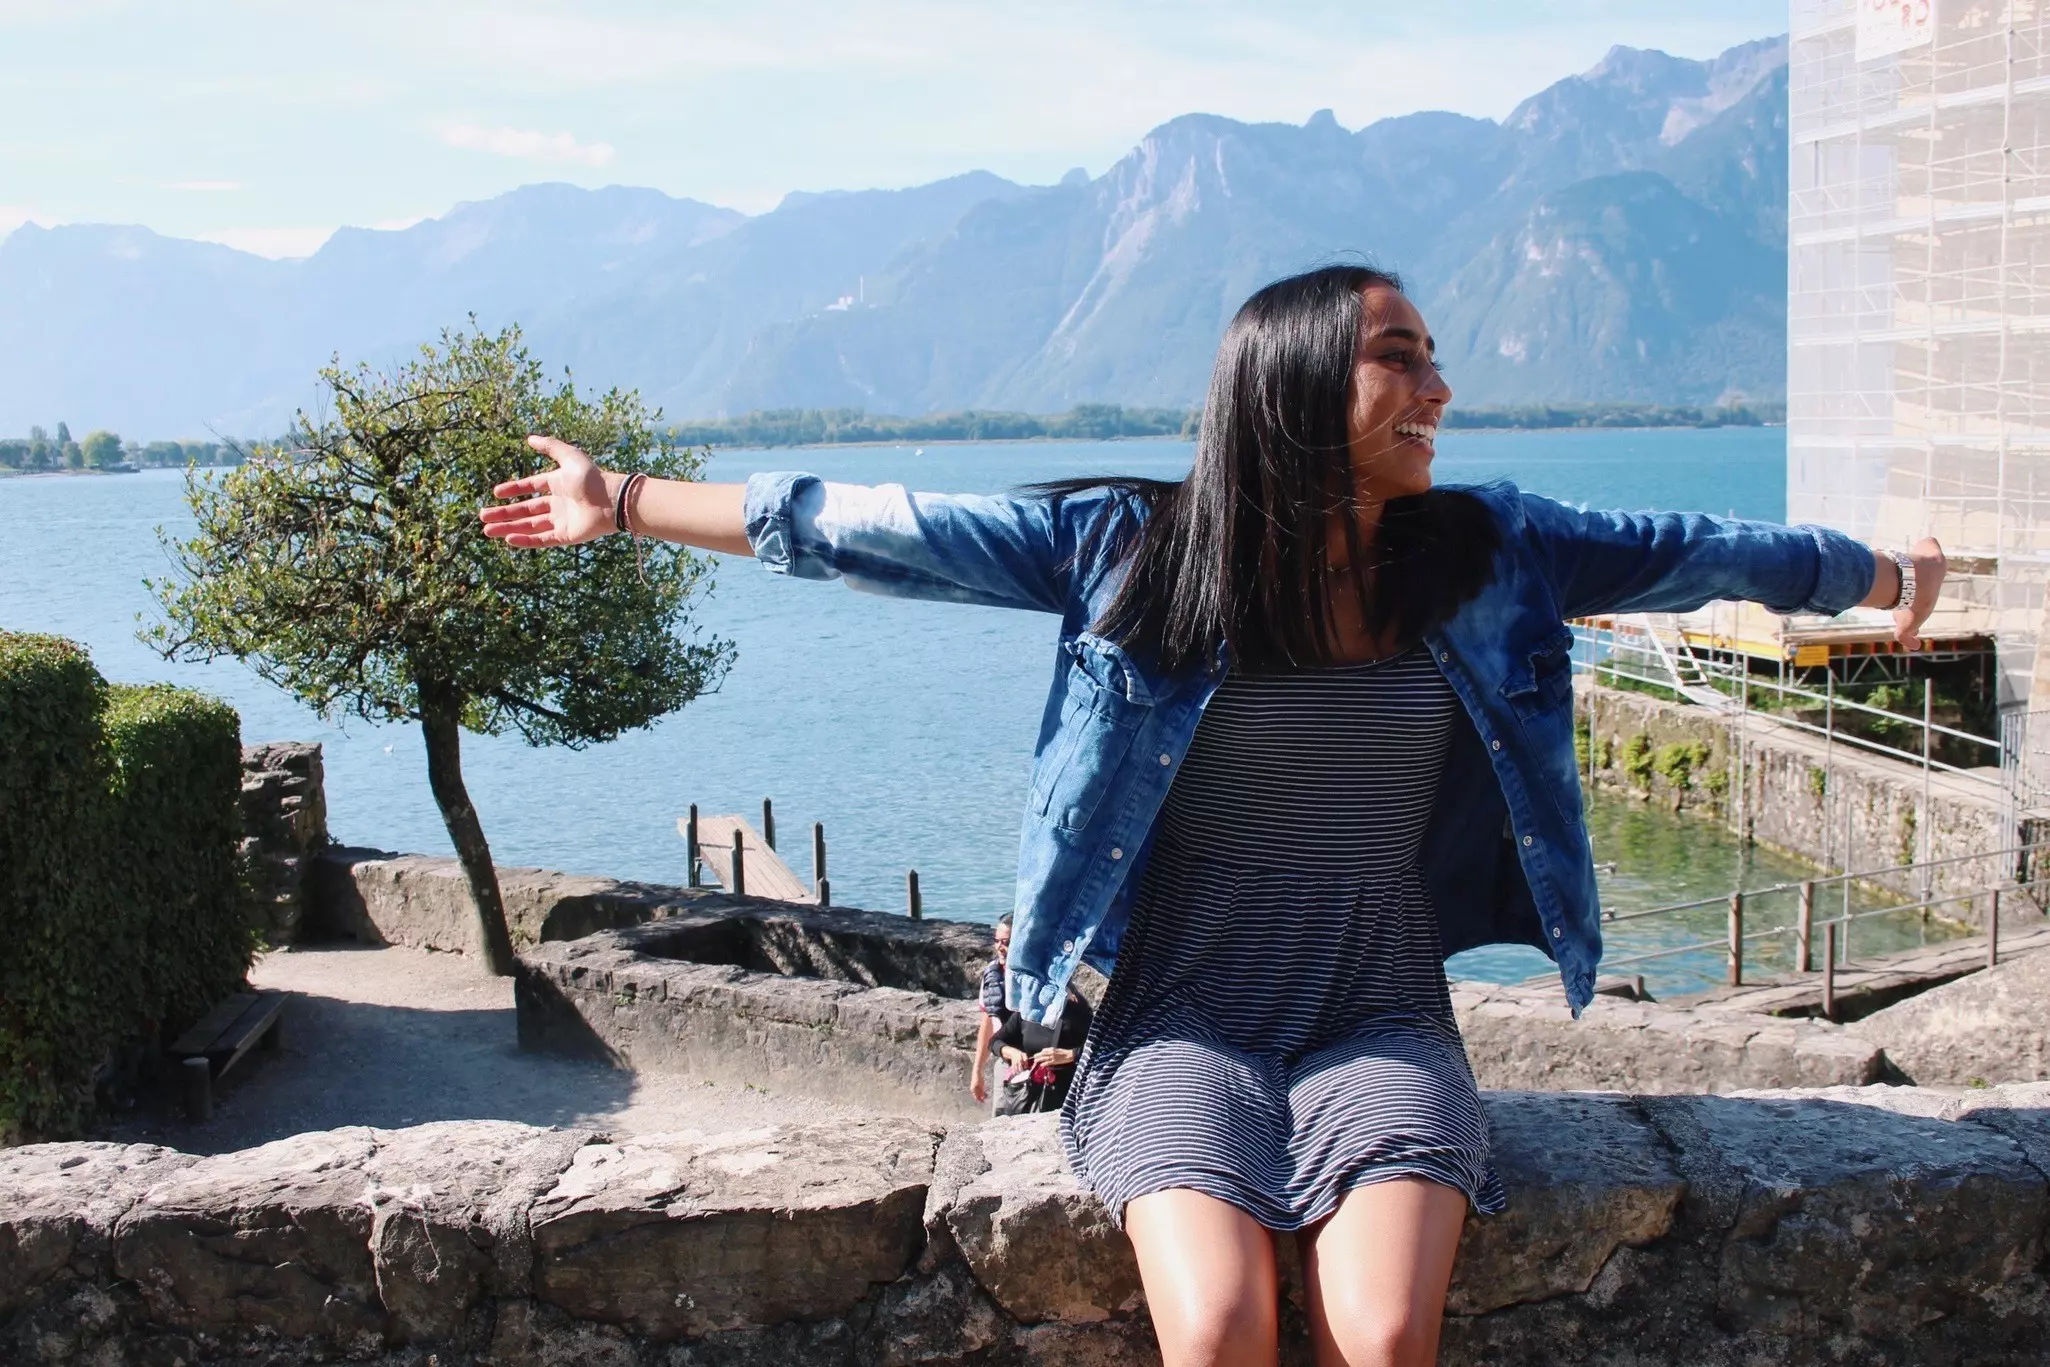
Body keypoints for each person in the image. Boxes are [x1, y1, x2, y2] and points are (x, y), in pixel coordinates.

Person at [480, 263, 1946, 1367]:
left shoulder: (1488, 547)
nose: (1437, 389)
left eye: (1432, 359)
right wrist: (626, 501)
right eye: (1400, 358)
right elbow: (875, 525)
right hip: (1180, 1017)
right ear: (1297, 384)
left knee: (1380, 1336)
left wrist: (1876, 575)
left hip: (1379, 1010)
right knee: (1227, 1323)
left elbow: (1690, 550)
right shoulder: (1129, 551)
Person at [993, 981, 1092, 1115]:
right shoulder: (1027, 1012)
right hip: (1030, 1093)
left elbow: (1101, 1047)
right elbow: (995, 1041)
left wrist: (1070, 1055)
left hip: (1067, 1095)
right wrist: (1011, 1052)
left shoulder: (1078, 1012)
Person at [972, 913, 1013, 1106]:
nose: (999, 947)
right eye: (996, 941)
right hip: (1003, 1062)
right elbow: (988, 1021)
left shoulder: (1038, 976)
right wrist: (977, 1071)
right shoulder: (992, 973)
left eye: (1006, 942)